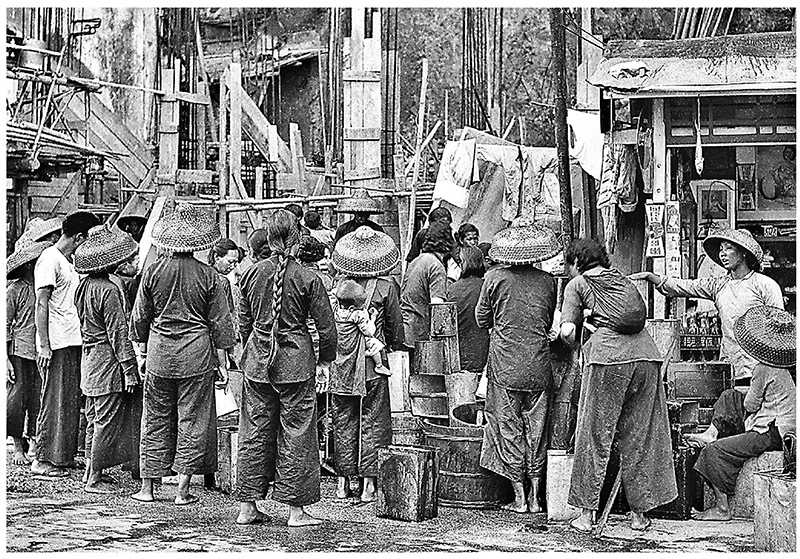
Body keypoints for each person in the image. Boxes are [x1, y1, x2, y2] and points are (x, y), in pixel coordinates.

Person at [560, 238, 677, 533]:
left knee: (594, 435)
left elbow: (567, 330)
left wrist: (569, 342)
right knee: (642, 435)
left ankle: (586, 517)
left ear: (575, 262)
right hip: (647, 357)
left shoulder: (578, 285)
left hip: (607, 360)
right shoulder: (623, 280)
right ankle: (639, 517)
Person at [235, 209, 336, 527]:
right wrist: (325, 361)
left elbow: (243, 322)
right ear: (297, 239)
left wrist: (250, 347)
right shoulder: (309, 278)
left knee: (254, 431)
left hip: (258, 363)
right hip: (296, 364)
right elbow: (327, 329)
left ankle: (247, 508)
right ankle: (295, 511)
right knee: (298, 433)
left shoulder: (251, 274)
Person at [130, 203, 237, 505]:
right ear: (198, 244)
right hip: (196, 355)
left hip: (159, 354)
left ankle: (148, 489)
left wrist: (141, 350)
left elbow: (139, 318)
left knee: (154, 419)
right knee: (193, 419)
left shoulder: (152, 272)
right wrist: (224, 360)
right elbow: (221, 323)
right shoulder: (209, 276)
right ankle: (181, 490)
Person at [476, 220, 559, 514]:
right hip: (539, 365)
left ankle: (520, 498)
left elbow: (482, 319)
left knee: (508, 428)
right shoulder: (549, 281)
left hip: (505, 365)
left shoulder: (494, 279)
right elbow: (547, 321)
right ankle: (537, 498)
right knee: (537, 431)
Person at [631, 228, 782, 384]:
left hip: (760, 368)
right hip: (730, 366)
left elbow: (779, 328)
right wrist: (651, 277)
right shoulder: (719, 285)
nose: (722, 254)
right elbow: (686, 286)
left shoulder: (765, 285)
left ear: (743, 252)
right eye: (721, 250)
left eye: (728, 248)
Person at [692, 305, 796, 521]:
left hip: (771, 431)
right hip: (782, 425)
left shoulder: (764, 368)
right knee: (730, 395)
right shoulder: (786, 366)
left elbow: (750, 405)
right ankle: (712, 431)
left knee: (714, 451)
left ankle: (722, 509)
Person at [329, 226, 404, 502]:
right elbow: (396, 330)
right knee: (374, 419)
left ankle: (341, 483)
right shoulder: (386, 287)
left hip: (341, 364)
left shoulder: (337, 288)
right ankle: (369, 486)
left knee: (343, 419)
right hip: (372, 367)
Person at [73, 225, 141, 493]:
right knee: (106, 421)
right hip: (106, 363)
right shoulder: (110, 290)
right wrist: (130, 369)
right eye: (128, 260)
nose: (131, 264)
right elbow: (118, 334)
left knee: (93, 418)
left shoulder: (84, 286)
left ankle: (91, 469)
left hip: (89, 360)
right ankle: (95, 478)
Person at [32, 210, 100, 478]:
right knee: (54, 400)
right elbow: (41, 303)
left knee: (70, 400)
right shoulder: (49, 259)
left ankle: (63, 456)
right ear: (79, 237)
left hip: (73, 339)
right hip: (57, 341)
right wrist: (45, 345)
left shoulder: (70, 262)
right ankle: (44, 459)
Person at [6, 237, 51, 465]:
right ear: (28, 266)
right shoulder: (14, 290)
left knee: (38, 398)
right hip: (19, 351)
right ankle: (16, 446)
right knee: (16, 400)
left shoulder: (44, 288)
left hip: (40, 351)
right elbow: (4, 324)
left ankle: (34, 441)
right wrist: (5, 359)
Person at [400, 221, 451, 365]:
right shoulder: (436, 266)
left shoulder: (417, 260)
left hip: (406, 328)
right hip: (418, 333)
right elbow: (437, 306)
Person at [334, 280, 392, 377]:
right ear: (352, 308)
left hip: (340, 339)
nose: (364, 306)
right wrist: (373, 318)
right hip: (357, 341)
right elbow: (369, 332)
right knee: (374, 344)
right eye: (362, 305)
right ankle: (379, 365)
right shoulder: (357, 315)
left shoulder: (336, 309)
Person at [446, 246, 489, 374]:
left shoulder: (452, 289)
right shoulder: (486, 286)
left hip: (459, 355)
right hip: (484, 354)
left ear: (462, 263)